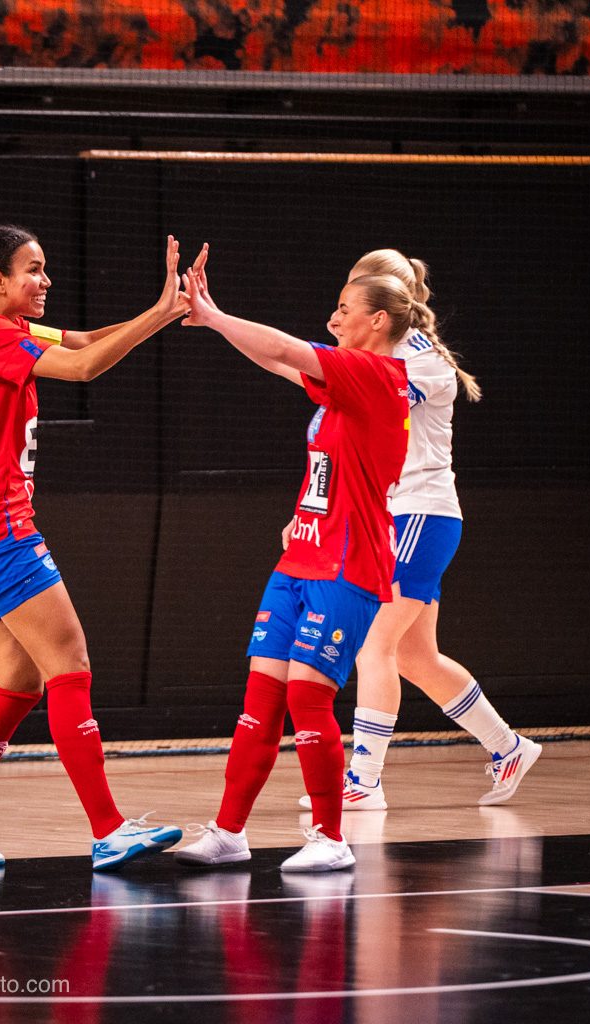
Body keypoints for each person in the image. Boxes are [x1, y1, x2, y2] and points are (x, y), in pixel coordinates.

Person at [0, 225, 206, 870]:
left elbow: (85, 341)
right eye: (33, 269)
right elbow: (86, 368)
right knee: (70, 664)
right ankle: (108, 830)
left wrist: (164, 310)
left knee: (17, 683)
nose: (45, 280)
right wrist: (159, 312)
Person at [174, 267, 411, 872]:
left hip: (347, 563)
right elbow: (277, 361)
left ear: (378, 320)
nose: (333, 318)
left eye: (344, 308)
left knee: (308, 697)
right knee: (260, 700)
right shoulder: (342, 384)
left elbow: (283, 347)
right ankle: (229, 832)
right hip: (302, 555)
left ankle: (330, 839)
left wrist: (215, 315)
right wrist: (213, 323)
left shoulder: (378, 375)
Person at [296, 249, 541, 812]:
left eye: (352, 301)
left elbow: (347, 389)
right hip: (400, 515)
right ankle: (508, 748)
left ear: (384, 306)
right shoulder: (375, 352)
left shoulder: (419, 360)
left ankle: (364, 779)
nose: (343, 312)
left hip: (420, 515)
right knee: (414, 656)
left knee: (372, 644)